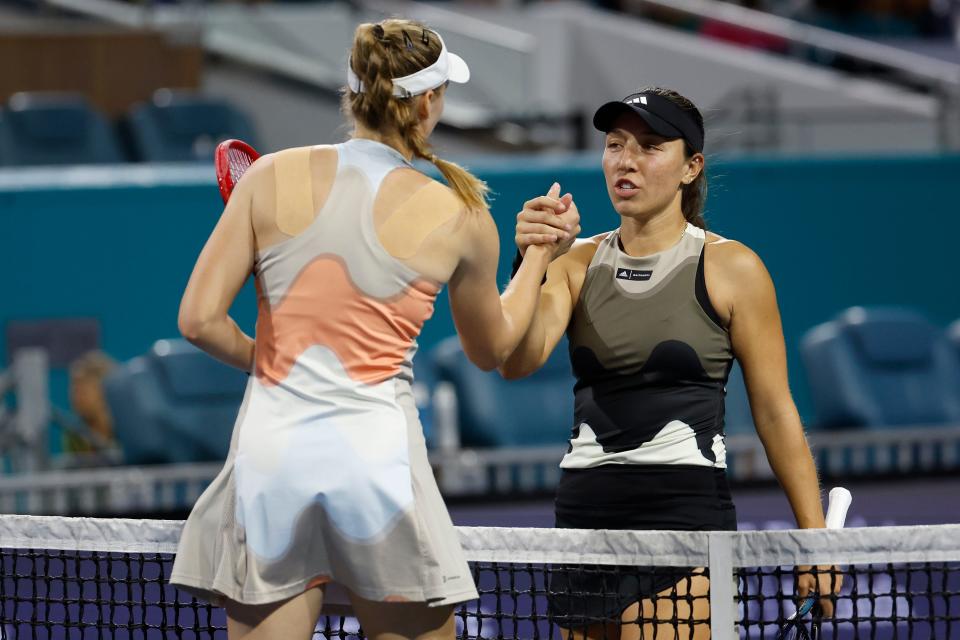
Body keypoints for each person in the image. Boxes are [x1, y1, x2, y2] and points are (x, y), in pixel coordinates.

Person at [168, 19, 577, 640]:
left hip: (272, 461)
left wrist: (279, 360)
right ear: (429, 102)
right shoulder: (461, 215)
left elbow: (198, 321)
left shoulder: (267, 176)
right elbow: (493, 349)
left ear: (352, 93)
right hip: (376, 466)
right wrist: (541, 257)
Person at [501, 87, 840, 639]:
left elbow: (776, 412)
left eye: (651, 146)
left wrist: (815, 539)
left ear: (691, 167)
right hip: (585, 515)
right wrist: (533, 257)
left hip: (683, 516)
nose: (626, 161)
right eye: (615, 145)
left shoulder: (732, 268)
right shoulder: (575, 263)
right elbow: (516, 361)